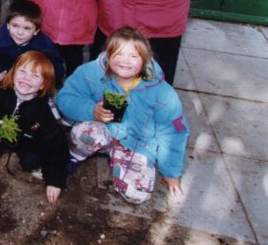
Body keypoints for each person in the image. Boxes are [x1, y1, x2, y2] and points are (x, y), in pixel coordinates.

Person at [56, 27, 189, 205]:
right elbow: (64, 98)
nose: (125, 61)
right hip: (104, 130)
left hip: (136, 144)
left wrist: (171, 173)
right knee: (83, 134)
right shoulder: (90, 72)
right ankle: (76, 155)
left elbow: (173, 133)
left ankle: (119, 159)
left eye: (134, 56)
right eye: (118, 54)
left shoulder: (162, 91)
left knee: (137, 195)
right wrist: (91, 110)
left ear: (145, 59)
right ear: (108, 54)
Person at [0, 51, 68, 203]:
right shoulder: (0, 91)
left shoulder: (43, 110)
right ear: (13, 72)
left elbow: (56, 145)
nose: (26, 78)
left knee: (32, 160)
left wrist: (55, 181)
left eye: (35, 76)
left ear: (43, 84)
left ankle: (34, 163)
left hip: (24, 138)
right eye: (22, 71)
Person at [0, 0, 64, 86]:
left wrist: (36, 79)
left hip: (30, 85)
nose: (20, 32)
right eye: (15, 26)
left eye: (27, 28)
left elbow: (56, 70)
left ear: (36, 31)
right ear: (8, 25)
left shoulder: (44, 45)